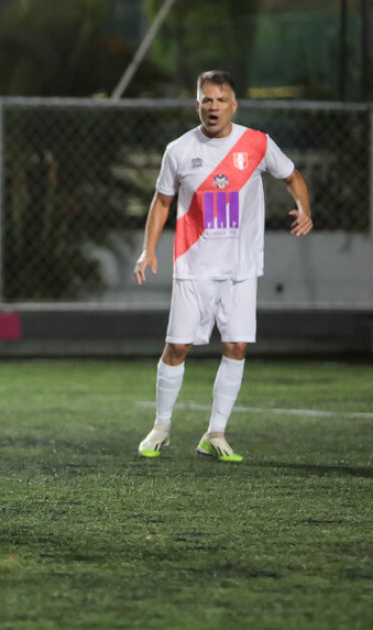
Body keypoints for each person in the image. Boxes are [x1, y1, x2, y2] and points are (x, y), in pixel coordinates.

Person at [134, 70, 313, 462]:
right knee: (177, 347)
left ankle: (215, 433)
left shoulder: (257, 143)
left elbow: (292, 175)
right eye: (206, 100)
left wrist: (305, 209)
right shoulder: (178, 150)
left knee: (236, 346)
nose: (213, 107)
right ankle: (160, 427)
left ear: (234, 105)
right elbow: (162, 202)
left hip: (241, 268)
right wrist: (148, 250)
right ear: (196, 104)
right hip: (193, 266)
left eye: (220, 100)